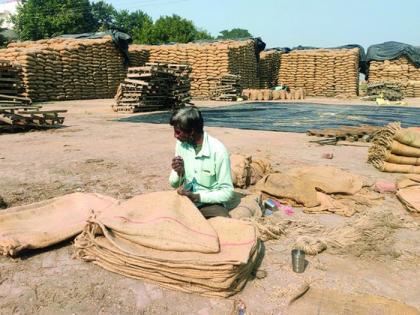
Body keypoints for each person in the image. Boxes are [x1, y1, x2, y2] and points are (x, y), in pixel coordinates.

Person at [169, 106, 234, 218]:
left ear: (192, 132)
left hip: (208, 204)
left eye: (178, 132)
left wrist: (197, 197)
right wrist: (179, 172)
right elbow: (173, 183)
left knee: (222, 224)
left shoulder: (218, 151)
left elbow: (227, 192)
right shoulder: (181, 144)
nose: (175, 136)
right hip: (186, 199)